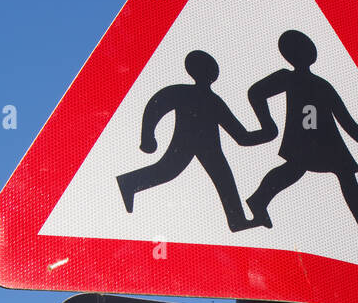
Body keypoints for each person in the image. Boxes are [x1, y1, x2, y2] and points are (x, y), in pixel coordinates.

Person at [239, 30, 358, 252]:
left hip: (326, 142)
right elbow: (256, 92)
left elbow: (347, 121)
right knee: (298, 170)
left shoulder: (321, 84)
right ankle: (259, 199)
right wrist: (268, 124)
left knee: (302, 171)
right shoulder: (289, 78)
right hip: (310, 141)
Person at [116, 50, 271, 231]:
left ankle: (237, 220)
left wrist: (266, 134)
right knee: (169, 171)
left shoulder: (210, 99)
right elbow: (157, 106)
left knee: (221, 179)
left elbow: (241, 136)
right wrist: (147, 138)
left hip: (207, 147)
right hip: (187, 144)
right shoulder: (190, 94)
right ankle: (129, 182)